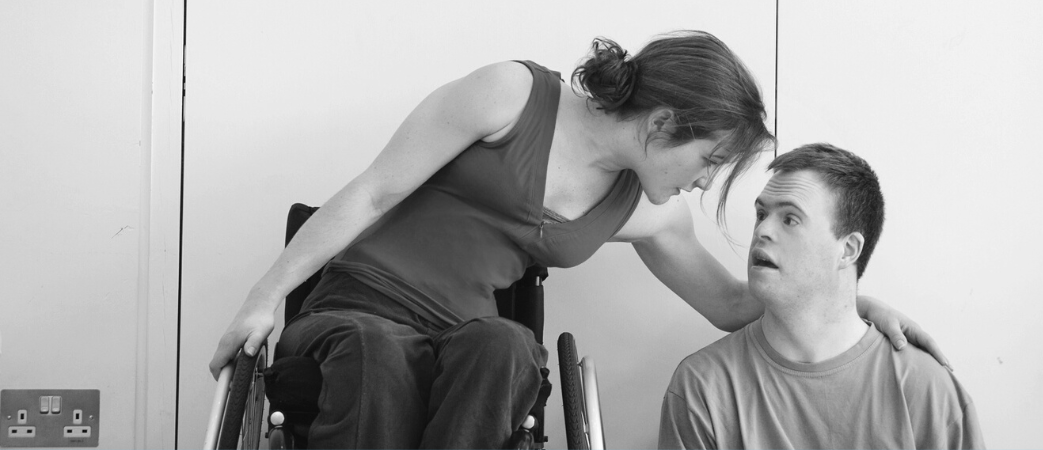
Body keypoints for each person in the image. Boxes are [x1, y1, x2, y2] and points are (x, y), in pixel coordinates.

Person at [209, 31, 947, 448]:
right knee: (376, 353)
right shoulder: (509, 94)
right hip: (356, 311)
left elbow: (729, 304)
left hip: (458, 331)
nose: (702, 184)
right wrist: (263, 297)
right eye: (708, 163)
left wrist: (855, 304)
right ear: (663, 127)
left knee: (508, 349)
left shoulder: (643, 210)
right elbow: (375, 189)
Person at [659, 143, 983, 449]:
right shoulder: (702, 388)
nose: (762, 231)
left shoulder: (927, 390)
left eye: (790, 219)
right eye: (761, 214)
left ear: (848, 249)